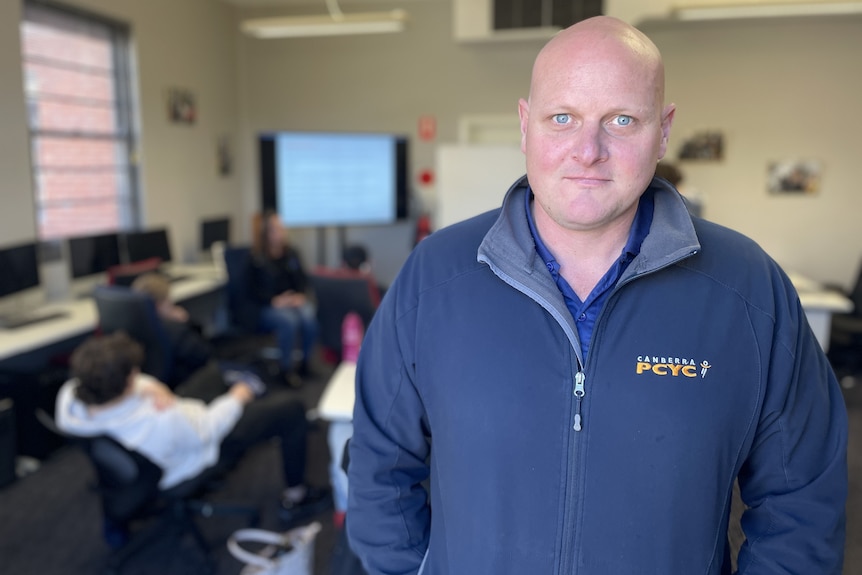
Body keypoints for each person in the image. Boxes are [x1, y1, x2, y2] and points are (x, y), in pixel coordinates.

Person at [347, 16, 847, 575]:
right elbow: (378, 465)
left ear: (663, 130)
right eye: (562, 117)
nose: (588, 150)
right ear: (524, 125)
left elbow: (802, 497)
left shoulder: (749, 290)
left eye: (621, 120)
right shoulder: (434, 278)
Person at [55, 331, 330, 525]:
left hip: (168, 436)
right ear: (124, 385)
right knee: (290, 410)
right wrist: (238, 397)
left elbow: (144, 389)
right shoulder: (157, 420)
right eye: (134, 374)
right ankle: (297, 497)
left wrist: (154, 389)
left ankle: (240, 390)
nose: (140, 376)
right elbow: (209, 429)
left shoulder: (71, 399)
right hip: (193, 453)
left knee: (212, 373)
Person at [252, 211, 319, 384]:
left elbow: (302, 280)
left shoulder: (291, 253)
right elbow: (251, 292)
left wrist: (299, 296)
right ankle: (286, 369)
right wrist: (275, 301)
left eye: (282, 229)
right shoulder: (256, 259)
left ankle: (305, 364)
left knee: (308, 316)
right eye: (276, 229)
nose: (281, 233)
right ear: (266, 233)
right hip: (268, 305)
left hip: (291, 301)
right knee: (289, 321)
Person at [131, 272, 213, 385]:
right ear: (159, 305)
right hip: (183, 382)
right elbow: (203, 354)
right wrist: (187, 322)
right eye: (169, 301)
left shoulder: (133, 324)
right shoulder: (175, 330)